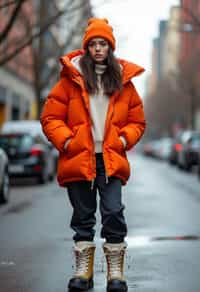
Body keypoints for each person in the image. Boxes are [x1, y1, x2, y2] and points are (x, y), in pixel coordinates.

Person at [40, 18, 146, 292]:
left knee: (113, 213)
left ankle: (115, 274)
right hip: (79, 157)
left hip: (110, 159)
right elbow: (51, 117)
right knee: (83, 217)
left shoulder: (124, 83)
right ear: (86, 48)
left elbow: (137, 121)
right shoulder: (69, 81)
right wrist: (66, 143)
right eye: (93, 44)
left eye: (103, 44)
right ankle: (83, 274)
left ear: (110, 48)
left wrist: (123, 139)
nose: (98, 48)